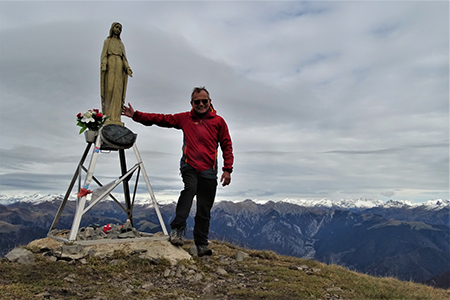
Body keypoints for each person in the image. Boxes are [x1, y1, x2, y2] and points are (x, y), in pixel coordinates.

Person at [122, 87, 234, 256]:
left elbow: (227, 145)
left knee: (204, 207)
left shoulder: (218, 122)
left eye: (204, 101)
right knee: (189, 189)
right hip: (189, 165)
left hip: (209, 171)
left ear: (210, 102)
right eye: (197, 102)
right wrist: (136, 115)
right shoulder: (185, 118)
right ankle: (177, 230)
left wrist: (227, 169)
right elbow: (161, 119)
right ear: (192, 103)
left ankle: (201, 244)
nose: (201, 104)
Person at [101, 22, 133, 125]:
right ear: (112, 28)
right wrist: (104, 63)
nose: (118, 30)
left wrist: (127, 67)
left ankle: (116, 117)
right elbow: (104, 54)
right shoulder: (107, 41)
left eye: (120, 28)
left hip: (119, 66)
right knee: (109, 89)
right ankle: (107, 115)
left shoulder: (121, 44)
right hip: (110, 65)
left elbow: (124, 58)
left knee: (117, 91)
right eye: (116, 27)